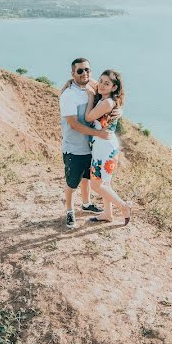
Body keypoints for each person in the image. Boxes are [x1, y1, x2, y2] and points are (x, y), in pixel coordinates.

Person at [60, 57, 110, 228]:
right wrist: (98, 133)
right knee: (71, 182)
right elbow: (73, 124)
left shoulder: (91, 87)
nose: (84, 73)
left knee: (87, 178)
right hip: (74, 148)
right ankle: (69, 211)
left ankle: (86, 204)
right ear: (73, 73)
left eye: (87, 69)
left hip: (91, 147)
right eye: (79, 71)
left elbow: (103, 85)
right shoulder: (68, 95)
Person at [85, 69, 134, 226]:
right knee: (105, 183)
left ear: (114, 87)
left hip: (104, 147)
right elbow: (91, 80)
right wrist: (94, 84)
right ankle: (108, 213)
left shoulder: (107, 102)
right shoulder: (109, 99)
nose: (101, 85)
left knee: (96, 184)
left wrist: (91, 95)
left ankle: (123, 207)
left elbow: (88, 117)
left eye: (107, 83)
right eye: (101, 81)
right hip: (104, 144)